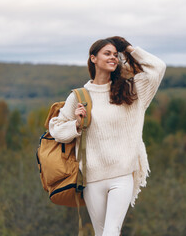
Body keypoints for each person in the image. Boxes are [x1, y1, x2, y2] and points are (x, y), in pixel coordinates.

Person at [49, 36, 166, 236]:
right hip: (92, 178)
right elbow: (56, 130)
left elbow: (158, 67)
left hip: (122, 175)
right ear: (93, 58)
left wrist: (127, 48)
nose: (113, 57)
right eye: (107, 53)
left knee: (110, 232)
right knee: (102, 232)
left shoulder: (132, 91)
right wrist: (76, 123)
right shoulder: (79, 96)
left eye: (115, 54)